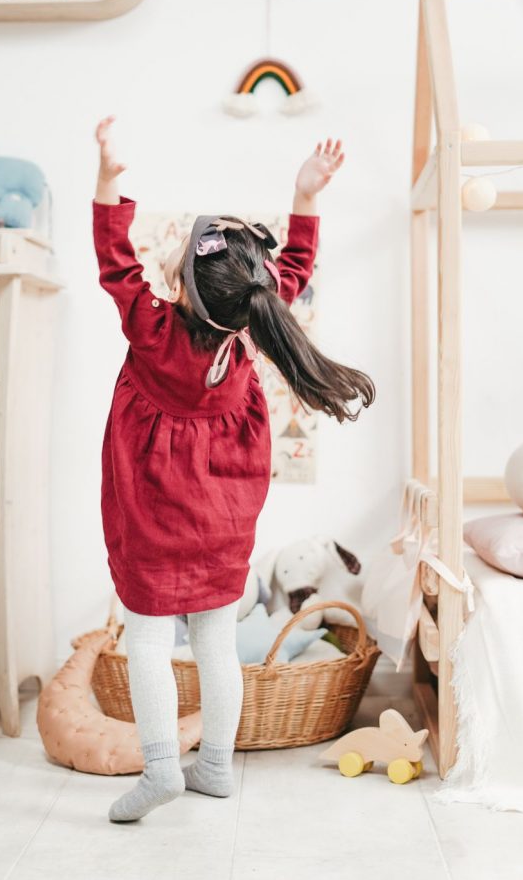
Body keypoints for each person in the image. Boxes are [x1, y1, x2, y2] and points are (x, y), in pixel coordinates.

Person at [92, 116, 374, 823]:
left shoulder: (152, 332)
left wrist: (108, 178)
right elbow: (293, 274)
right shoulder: (250, 327)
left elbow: (112, 259)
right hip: (221, 521)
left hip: (152, 518)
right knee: (215, 640)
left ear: (183, 286)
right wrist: (305, 195)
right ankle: (215, 764)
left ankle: (163, 770)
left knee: (152, 640)